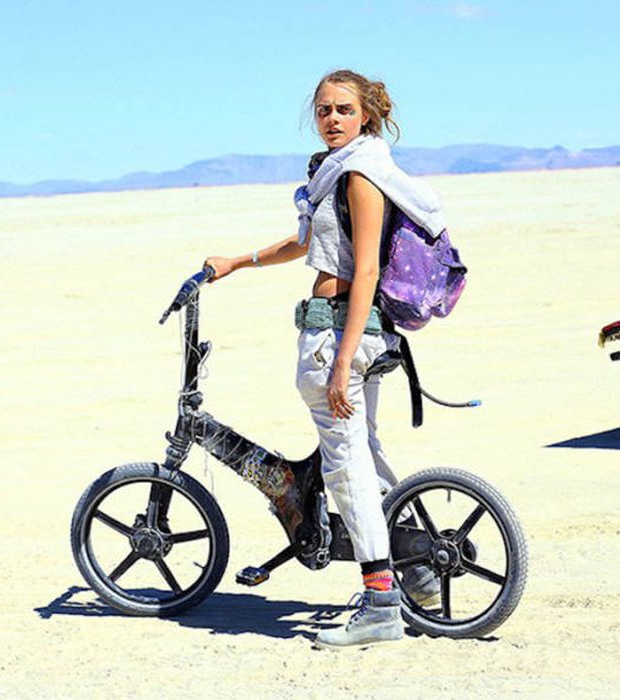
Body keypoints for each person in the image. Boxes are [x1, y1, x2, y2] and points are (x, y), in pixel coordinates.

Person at [204, 69, 441, 649]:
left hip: (340, 335)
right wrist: (240, 260)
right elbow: (307, 245)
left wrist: (339, 362)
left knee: (345, 467)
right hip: (351, 334)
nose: (332, 119)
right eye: (323, 110)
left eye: (343, 110)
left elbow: (364, 270)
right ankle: (419, 567)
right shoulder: (342, 171)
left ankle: (381, 600)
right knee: (365, 451)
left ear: (367, 115)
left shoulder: (359, 174)